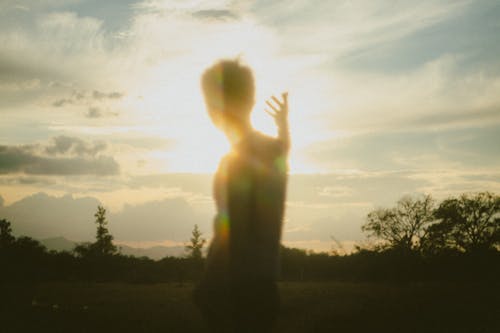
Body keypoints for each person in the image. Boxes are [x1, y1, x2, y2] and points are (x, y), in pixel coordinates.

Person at [194, 59, 290, 333]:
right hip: (265, 290)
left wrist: (207, 286)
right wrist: (282, 125)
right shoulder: (273, 150)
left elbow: (232, 232)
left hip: (234, 293)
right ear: (250, 100)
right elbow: (283, 148)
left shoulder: (233, 162)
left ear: (216, 107)